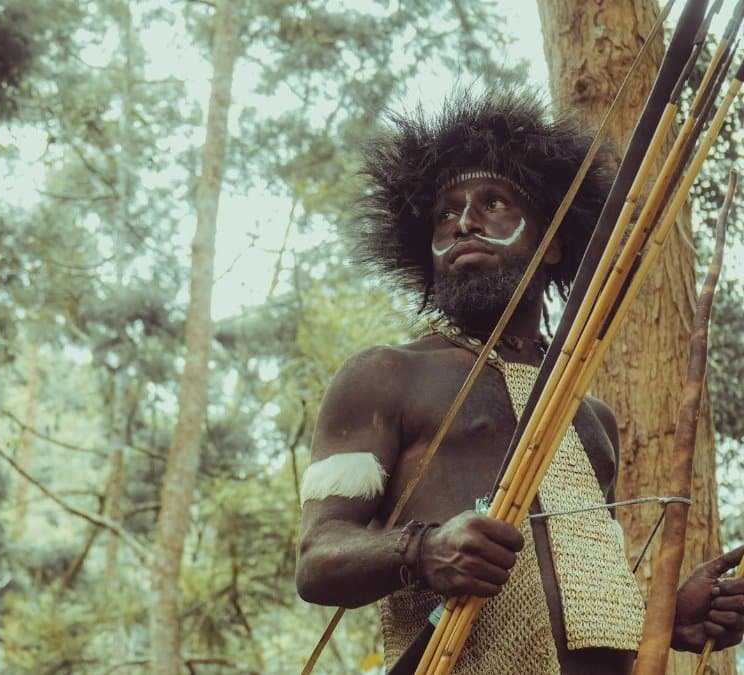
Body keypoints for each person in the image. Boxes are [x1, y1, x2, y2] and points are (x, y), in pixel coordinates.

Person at [294, 91, 744, 674]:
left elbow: (576, 593)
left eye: (493, 203)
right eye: (444, 214)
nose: (464, 222)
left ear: (551, 244)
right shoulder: (386, 376)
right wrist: (424, 549)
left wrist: (667, 620)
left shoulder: (591, 418)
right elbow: (317, 559)